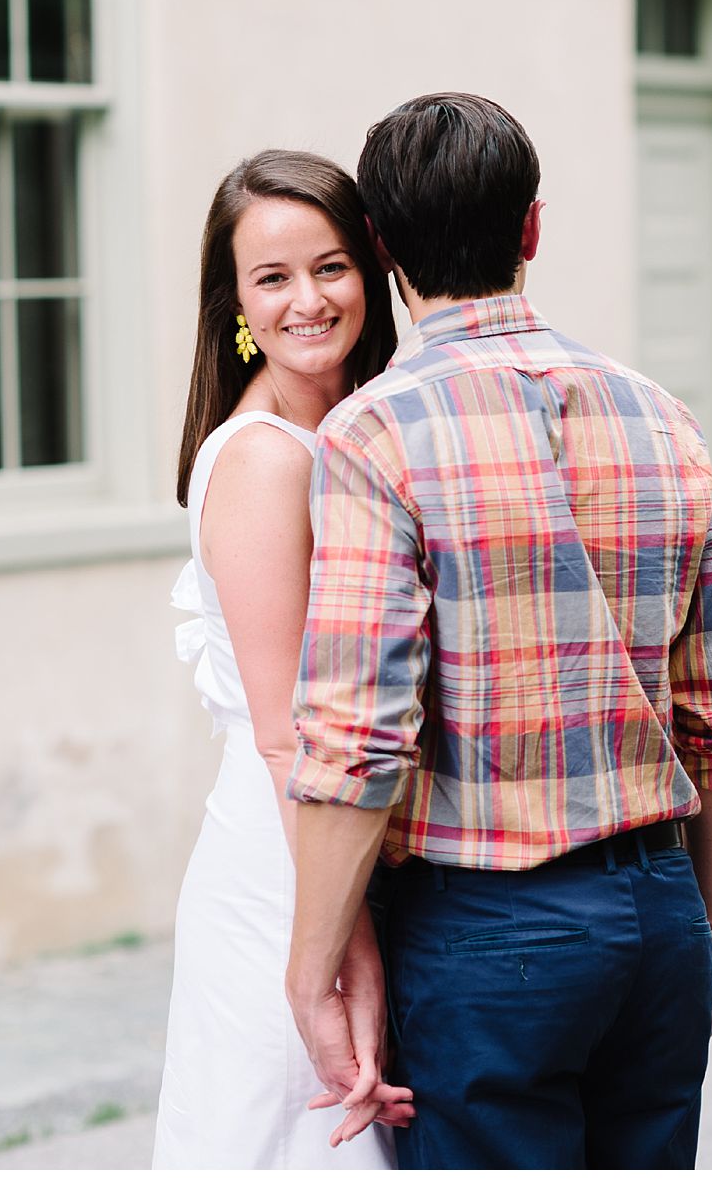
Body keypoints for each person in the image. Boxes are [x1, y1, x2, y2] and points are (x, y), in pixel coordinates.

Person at [282, 92, 712, 1169]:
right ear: (531, 230)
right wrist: (708, 926)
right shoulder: (660, 414)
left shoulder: (374, 432)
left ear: (377, 244)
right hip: (661, 915)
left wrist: (309, 967)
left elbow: (359, 737)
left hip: (486, 933)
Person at [155, 150, 409, 1168]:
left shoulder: (353, 432)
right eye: (273, 279)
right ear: (238, 309)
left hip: (333, 854)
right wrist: (344, 955)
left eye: (331, 265)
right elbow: (285, 740)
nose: (309, 299)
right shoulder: (265, 459)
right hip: (286, 875)